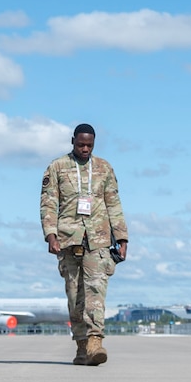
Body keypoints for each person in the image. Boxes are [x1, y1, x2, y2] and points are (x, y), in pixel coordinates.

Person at [41, 123, 129, 365]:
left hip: (98, 239)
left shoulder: (104, 168)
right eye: (81, 144)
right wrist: (50, 235)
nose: (85, 149)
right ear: (72, 141)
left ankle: (95, 341)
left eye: (89, 145)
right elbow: (49, 203)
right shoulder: (57, 167)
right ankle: (81, 347)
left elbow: (114, 204)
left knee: (96, 291)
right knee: (74, 294)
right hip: (68, 239)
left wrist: (121, 237)